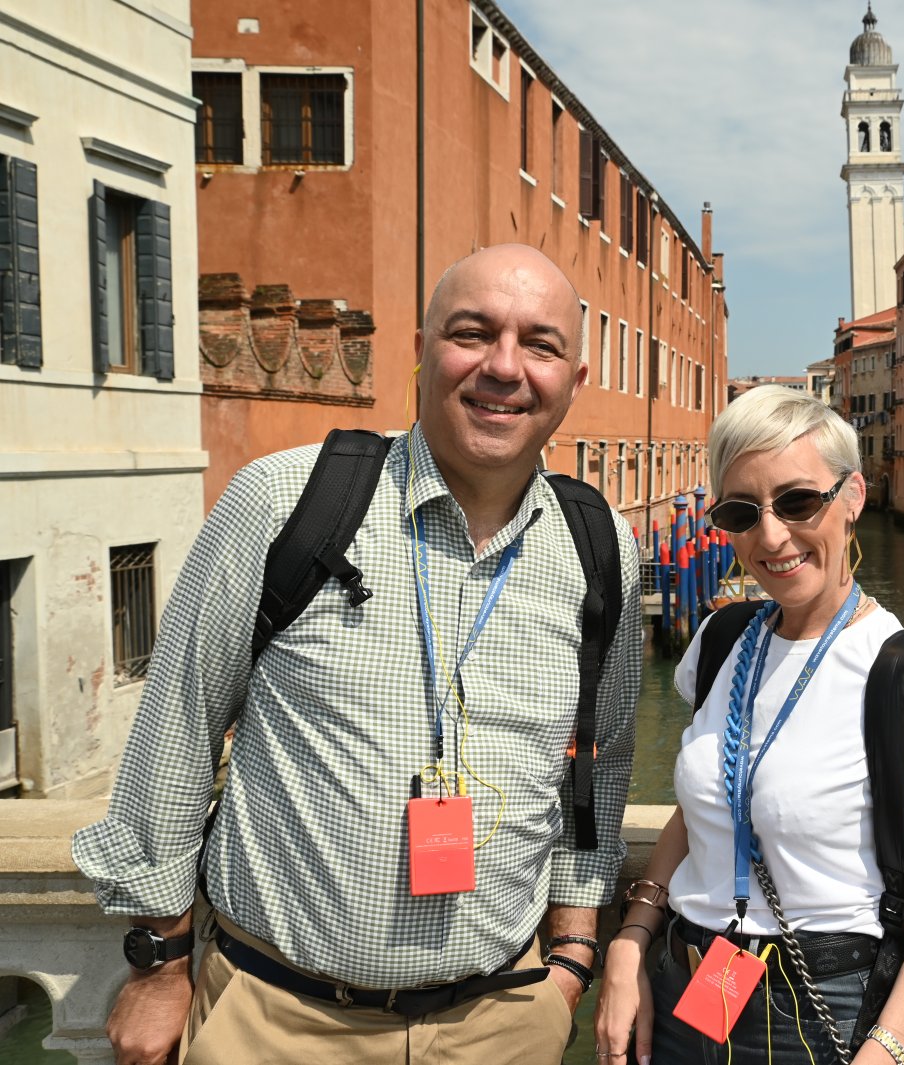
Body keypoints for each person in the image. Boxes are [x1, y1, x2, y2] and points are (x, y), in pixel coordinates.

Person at [72, 244, 642, 1065]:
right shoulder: (283, 500)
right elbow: (176, 732)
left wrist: (575, 946)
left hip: (501, 1024)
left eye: (540, 344)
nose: (504, 366)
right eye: (472, 333)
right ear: (421, 349)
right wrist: (159, 964)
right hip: (279, 1024)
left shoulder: (602, 546)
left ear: (574, 380)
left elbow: (602, 757)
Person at [595, 385, 904, 1065]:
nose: (771, 536)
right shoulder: (721, 642)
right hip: (688, 988)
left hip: (825, 1011)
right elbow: (711, 805)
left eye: (799, 502)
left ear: (853, 496)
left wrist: (883, 1054)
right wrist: (632, 937)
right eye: (741, 511)